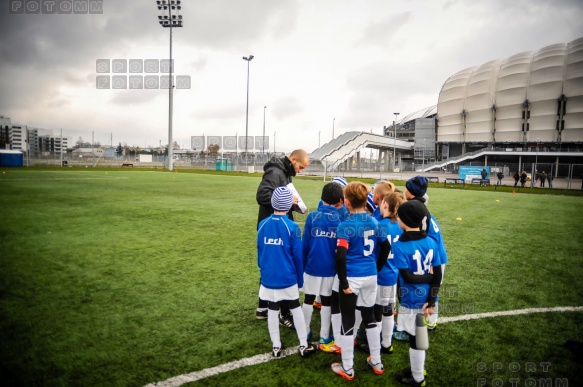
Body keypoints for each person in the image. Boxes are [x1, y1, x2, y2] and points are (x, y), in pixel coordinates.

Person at [331, 182, 391, 381]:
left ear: (346, 202)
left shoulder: (345, 225)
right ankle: (377, 361)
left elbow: (340, 257)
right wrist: (377, 268)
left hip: (352, 277)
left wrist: (344, 283)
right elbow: (386, 247)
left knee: (347, 321)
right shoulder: (374, 222)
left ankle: (348, 368)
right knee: (369, 318)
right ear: (366, 200)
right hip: (370, 276)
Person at [257, 186, 317, 358]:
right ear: (289, 205)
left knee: (273, 308)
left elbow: (260, 250)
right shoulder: (292, 227)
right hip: (287, 276)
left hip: (268, 276)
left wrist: (264, 270)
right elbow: (298, 257)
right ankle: (303, 344)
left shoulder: (263, 224)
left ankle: (276, 346)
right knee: (295, 307)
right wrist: (299, 279)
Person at [255, 149, 310, 326]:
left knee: (272, 265)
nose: (301, 170)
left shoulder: (284, 172)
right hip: (272, 226)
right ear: (292, 159)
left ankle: (263, 308)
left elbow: (280, 199)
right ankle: (284, 314)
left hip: (277, 223)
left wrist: (295, 206)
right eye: (300, 166)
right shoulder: (275, 172)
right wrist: (288, 200)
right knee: (282, 267)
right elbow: (262, 195)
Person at [392, 200, 443, 387]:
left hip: (412, 299)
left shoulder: (399, 246)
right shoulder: (431, 241)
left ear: (405, 220)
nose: (397, 219)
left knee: (415, 339)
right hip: (427, 298)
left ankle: (418, 377)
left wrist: (426, 280)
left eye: (399, 216)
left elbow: (409, 278)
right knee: (417, 336)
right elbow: (437, 275)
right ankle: (417, 368)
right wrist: (431, 300)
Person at [301, 182, 344, 351]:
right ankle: (324, 335)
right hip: (330, 268)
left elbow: (305, 244)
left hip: (312, 265)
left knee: (308, 298)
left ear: (322, 198)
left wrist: (303, 265)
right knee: (327, 301)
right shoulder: (340, 220)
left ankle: (304, 331)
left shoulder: (312, 217)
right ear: (340, 200)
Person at [360, 192, 404, 355]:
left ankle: (375, 347)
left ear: (385, 205)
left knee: (376, 312)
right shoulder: (400, 226)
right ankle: (387, 343)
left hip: (379, 273)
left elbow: (372, 250)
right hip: (393, 274)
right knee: (388, 310)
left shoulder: (379, 225)